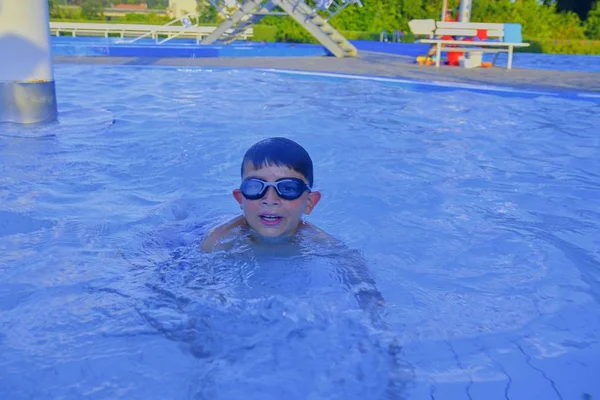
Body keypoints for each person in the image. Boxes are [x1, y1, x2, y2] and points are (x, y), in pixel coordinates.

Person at [200, 136, 326, 252]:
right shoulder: (217, 243)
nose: (270, 199)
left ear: (309, 203)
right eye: (255, 186)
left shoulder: (326, 248)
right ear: (241, 199)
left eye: (288, 188)